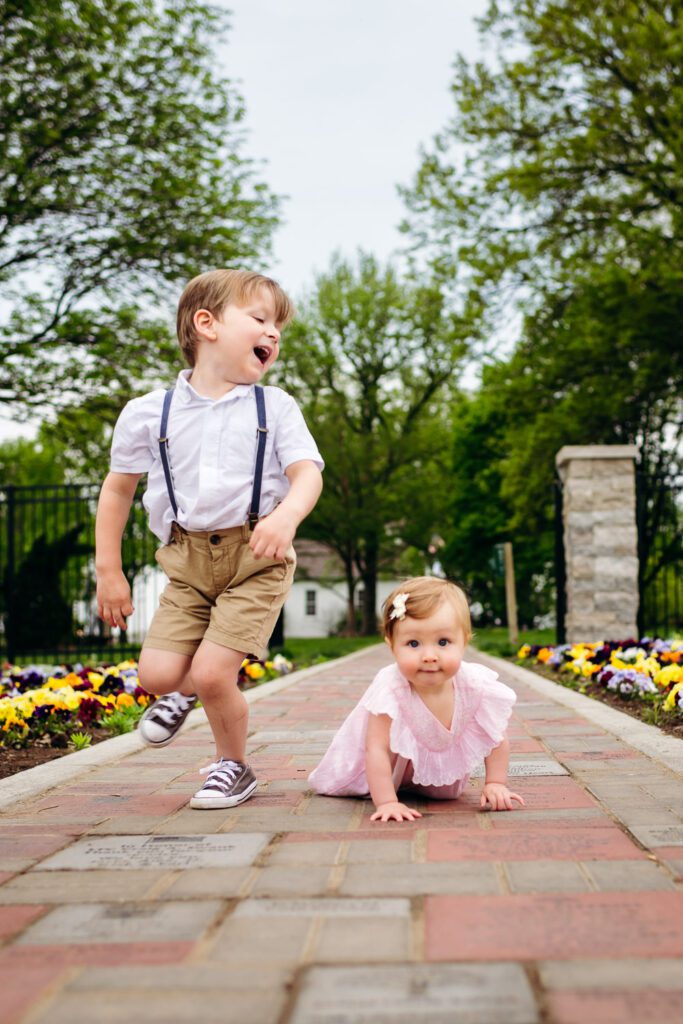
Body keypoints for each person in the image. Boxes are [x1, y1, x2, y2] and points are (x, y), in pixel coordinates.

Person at [95, 269, 323, 809]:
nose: (273, 333)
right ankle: (180, 694)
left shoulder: (275, 407)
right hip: (187, 561)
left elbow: (307, 474)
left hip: (256, 558)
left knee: (213, 673)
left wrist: (287, 518)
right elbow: (118, 490)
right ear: (207, 324)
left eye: (279, 327)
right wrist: (109, 570)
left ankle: (233, 766)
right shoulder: (149, 413)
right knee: (156, 674)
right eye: (260, 319)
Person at [309, 577, 524, 821]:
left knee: (446, 794)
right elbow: (377, 748)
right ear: (392, 646)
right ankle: (390, 789)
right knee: (374, 761)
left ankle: (419, 781)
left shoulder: (474, 683)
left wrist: (496, 782)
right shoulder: (391, 687)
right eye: (413, 643)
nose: (429, 655)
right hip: (387, 768)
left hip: (437, 775)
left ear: (464, 642)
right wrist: (387, 802)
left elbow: (495, 736)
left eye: (443, 642)